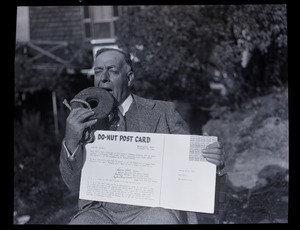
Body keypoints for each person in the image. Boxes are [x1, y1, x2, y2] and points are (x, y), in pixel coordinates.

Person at [59, 48, 225, 224]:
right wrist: (71, 139)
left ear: (129, 78)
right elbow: (73, 185)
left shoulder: (164, 112)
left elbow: (190, 167)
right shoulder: (83, 120)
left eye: (112, 70)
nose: (103, 77)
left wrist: (211, 161)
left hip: (152, 209)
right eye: (98, 71)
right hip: (100, 212)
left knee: (162, 220)